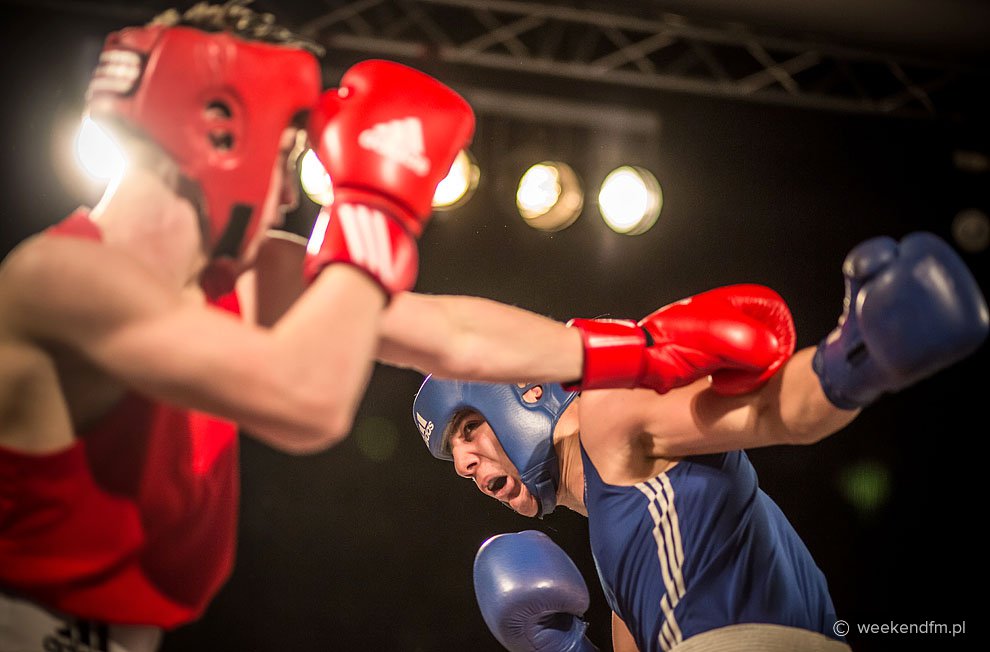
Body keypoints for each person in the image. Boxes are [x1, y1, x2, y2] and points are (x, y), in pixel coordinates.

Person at [0, 1, 474, 649]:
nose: (289, 195)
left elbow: (446, 331)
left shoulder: (237, 281)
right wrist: (374, 210)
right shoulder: (64, 277)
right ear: (219, 135)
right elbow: (309, 398)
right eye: (284, 157)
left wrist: (609, 350)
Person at [409, 232, 988, 652]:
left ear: (528, 391)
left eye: (468, 428)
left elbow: (776, 409)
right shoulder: (620, 552)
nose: (463, 463)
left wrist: (864, 353)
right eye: (452, 454)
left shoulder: (612, 411)